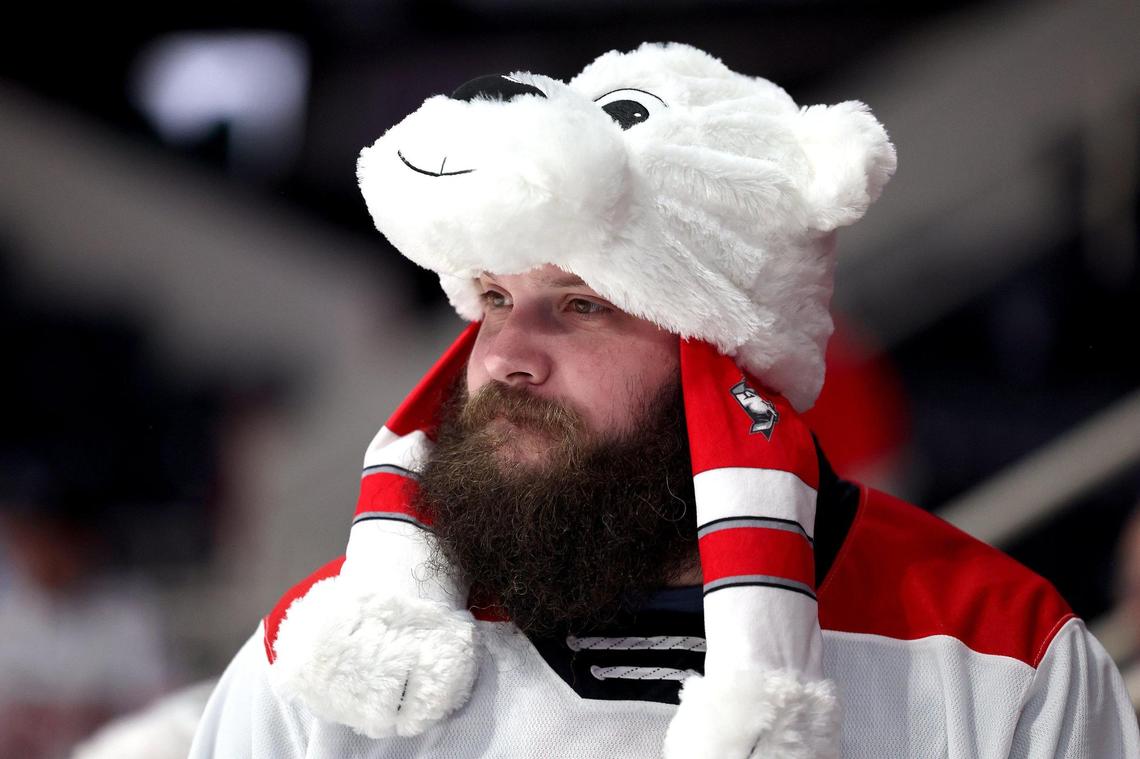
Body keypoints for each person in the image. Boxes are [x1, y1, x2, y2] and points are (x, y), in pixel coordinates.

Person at [189, 43, 1140, 758]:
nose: (505, 357)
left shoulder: (999, 649)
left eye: (582, 305)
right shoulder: (326, 652)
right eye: (493, 300)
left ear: (725, 354)